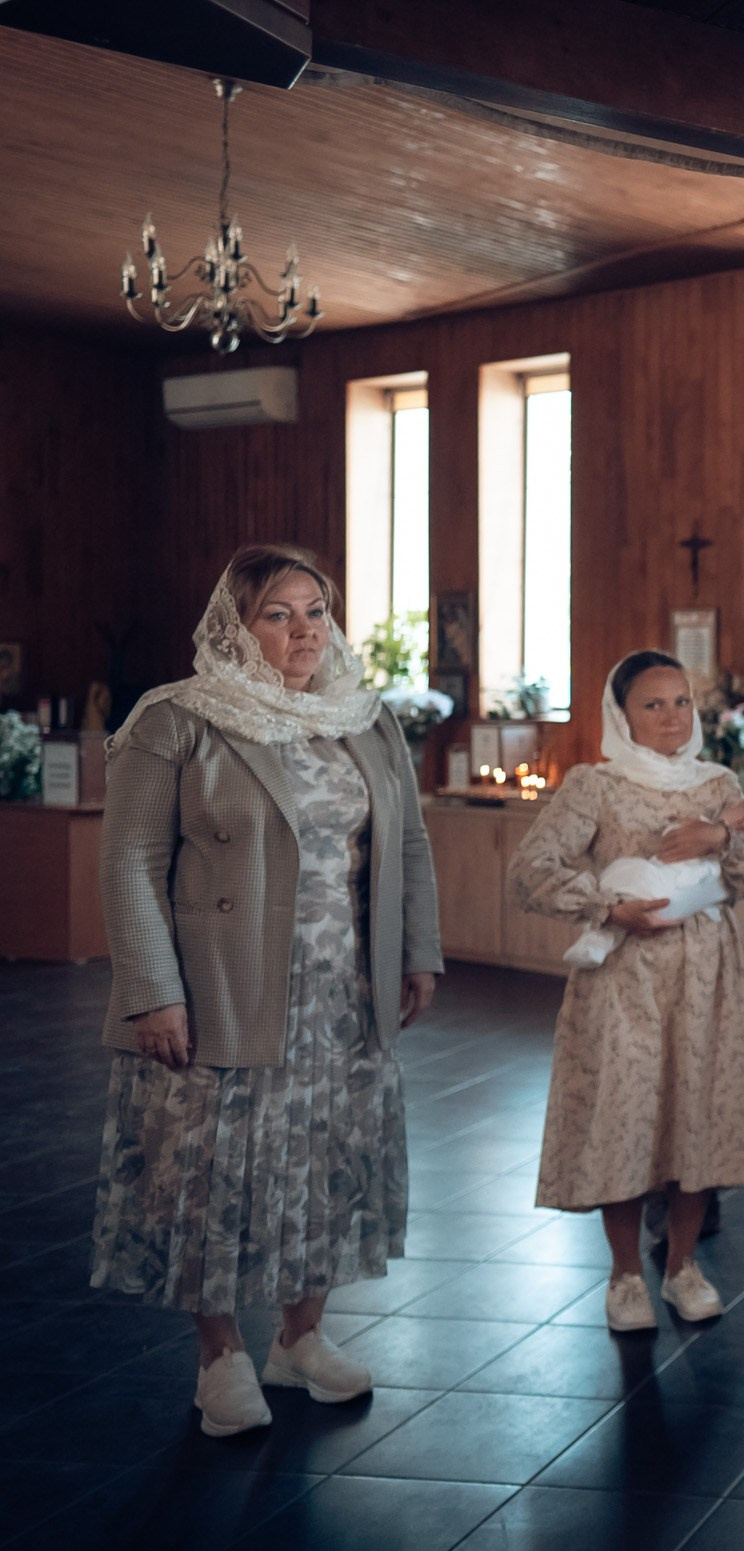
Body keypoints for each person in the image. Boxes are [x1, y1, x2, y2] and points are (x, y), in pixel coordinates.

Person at [91, 543, 442, 1438]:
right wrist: (152, 988)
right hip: (221, 983)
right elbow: (130, 859)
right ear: (236, 625)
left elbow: (405, 844)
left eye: (315, 611)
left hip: (343, 988)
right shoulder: (179, 718)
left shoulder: (364, 718)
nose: (303, 631)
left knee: (326, 1160)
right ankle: (219, 1357)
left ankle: (300, 1339)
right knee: (214, 1170)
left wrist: (417, 951)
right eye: (278, 614)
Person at [510, 651, 744, 1332]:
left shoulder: (718, 782)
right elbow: (531, 869)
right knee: (624, 1117)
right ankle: (625, 1274)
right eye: (652, 705)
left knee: (697, 1113)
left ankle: (683, 1264)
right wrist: (606, 908)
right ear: (621, 715)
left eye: (681, 701)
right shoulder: (593, 787)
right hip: (625, 977)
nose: (671, 717)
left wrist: (721, 834)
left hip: (706, 974)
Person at [563, 794, 744, 968]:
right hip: (676, 910)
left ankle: (595, 938)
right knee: (627, 910)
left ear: (740, 821)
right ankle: (595, 945)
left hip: (656, 888)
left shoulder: (709, 829)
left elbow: (674, 835)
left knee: (624, 872)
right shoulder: (729, 872)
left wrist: (696, 828)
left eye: (732, 811)